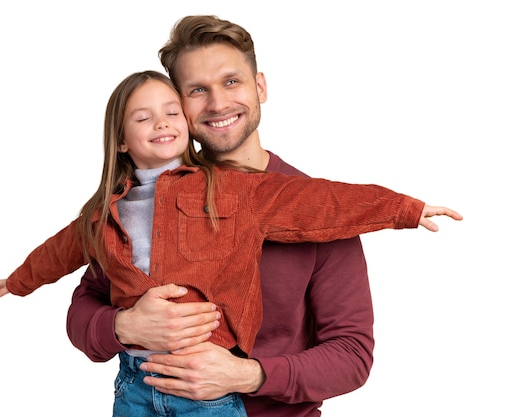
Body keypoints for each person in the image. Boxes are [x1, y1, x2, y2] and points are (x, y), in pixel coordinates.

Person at [64, 15, 463, 417]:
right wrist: (124, 326)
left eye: (232, 82)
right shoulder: (149, 200)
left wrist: (246, 375)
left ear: (260, 87)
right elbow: (85, 307)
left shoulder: (318, 208)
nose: (218, 103)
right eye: (198, 89)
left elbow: (352, 356)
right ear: (178, 106)